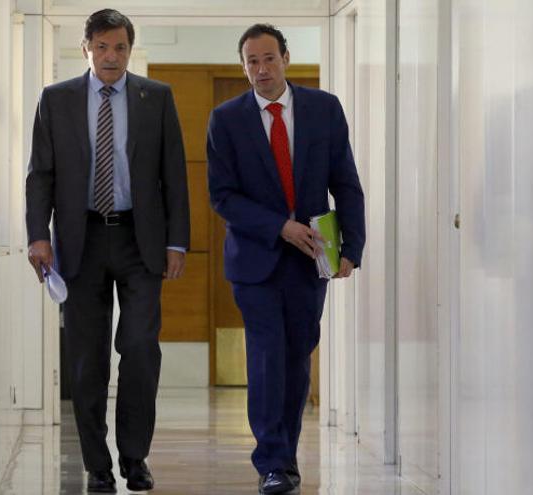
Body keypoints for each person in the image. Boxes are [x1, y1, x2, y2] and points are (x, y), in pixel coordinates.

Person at [25, 8, 190, 493]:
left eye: (119, 47)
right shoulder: (56, 100)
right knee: (86, 358)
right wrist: (38, 235)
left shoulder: (155, 97)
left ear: (130, 49)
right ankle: (97, 465)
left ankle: (134, 458)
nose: (111, 56)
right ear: (86, 49)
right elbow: (41, 175)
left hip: (141, 239)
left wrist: (176, 241)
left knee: (140, 347)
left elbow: (173, 174)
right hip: (81, 240)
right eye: (101, 47)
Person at [206, 24, 365, 494]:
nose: (261, 70)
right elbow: (223, 197)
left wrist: (351, 249)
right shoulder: (226, 119)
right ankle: (271, 462)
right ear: (243, 66)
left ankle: (285, 457)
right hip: (255, 261)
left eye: (268, 59)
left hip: (311, 259)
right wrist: (279, 225)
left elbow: (346, 182)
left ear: (286, 58)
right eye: (251, 62)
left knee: (297, 356)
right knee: (266, 356)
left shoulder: (323, 108)